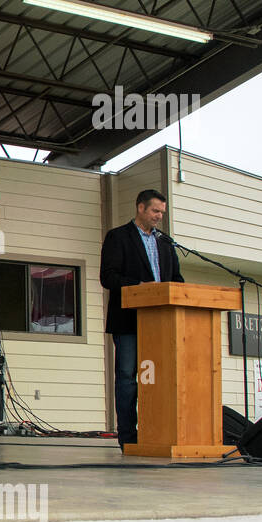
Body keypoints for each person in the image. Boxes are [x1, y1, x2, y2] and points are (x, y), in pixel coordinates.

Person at [99, 188, 184, 448]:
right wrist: (141, 286)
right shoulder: (118, 237)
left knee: (156, 378)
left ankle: (155, 433)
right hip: (128, 322)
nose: (159, 216)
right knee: (127, 378)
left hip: (161, 324)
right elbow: (108, 277)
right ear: (140, 208)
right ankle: (128, 438)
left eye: (162, 212)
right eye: (155, 211)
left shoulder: (166, 243)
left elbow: (177, 281)